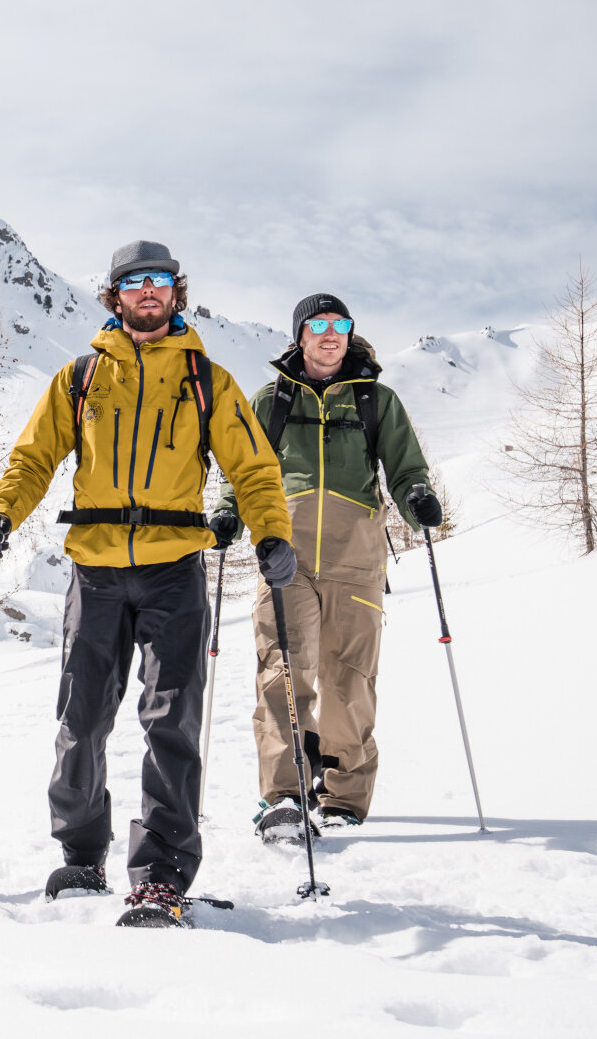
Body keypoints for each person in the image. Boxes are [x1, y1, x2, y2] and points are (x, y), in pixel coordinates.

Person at [0, 241, 295, 928]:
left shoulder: (208, 381)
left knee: (171, 720)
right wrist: (1, 513)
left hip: (174, 570)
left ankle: (161, 876)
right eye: (134, 281)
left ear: (177, 292)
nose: (148, 291)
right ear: (114, 296)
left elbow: (253, 467)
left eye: (160, 281)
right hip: (95, 572)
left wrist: (272, 533)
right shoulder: (80, 377)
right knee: (81, 716)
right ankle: (81, 855)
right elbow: (34, 457)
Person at [213, 293, 438, 840]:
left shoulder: (375, 400)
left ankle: (342, 799)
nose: (331, 332)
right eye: (318, 324)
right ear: (300, 336)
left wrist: (419, 498)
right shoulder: (270, 402)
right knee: (282, 672)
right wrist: (227, 514)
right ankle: (284, 796)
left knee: (349, 680)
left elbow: (406, 469)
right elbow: (243, 471)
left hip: (355, 559)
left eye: (340, 323)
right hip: (283, 556)